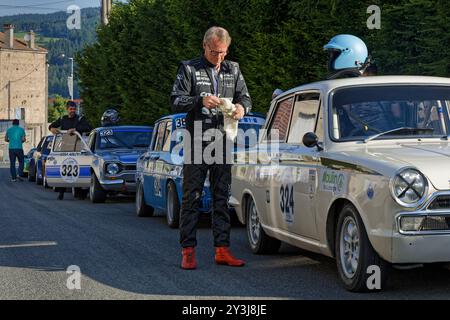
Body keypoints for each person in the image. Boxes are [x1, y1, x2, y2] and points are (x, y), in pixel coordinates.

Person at [171, 26, 251, 270]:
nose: (220, 57)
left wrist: (242, 109)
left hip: (223, 140)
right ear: (205, 46)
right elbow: (175, 101)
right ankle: (188, 251)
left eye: (223, 52)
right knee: (192, 197)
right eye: (215, 52)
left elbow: (246, 97)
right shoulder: (189, 68)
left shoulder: (233, 68)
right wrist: (199, 100)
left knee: (222, 196)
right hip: (196, 140)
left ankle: (222, 250)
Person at [49, 100, 92, 200]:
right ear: (67, 109)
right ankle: (61, 192)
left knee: (77, 169)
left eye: (74, 109)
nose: (72, 111)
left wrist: (75, 129)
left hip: (77, 147)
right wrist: (51, 128)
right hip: (65, 148)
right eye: (70, 109)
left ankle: (79, 192)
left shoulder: (80, 119)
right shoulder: (63, 119)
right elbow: (52, 125)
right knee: (64, 168)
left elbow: (88, 127)